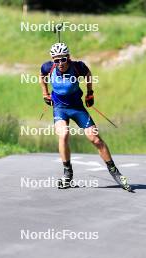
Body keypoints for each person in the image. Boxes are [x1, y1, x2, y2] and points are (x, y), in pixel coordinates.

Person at [40, 42, 131, 191]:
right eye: (56, 60)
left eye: (63, 59)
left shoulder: (78, 67)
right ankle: (67, 173)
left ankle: (115, 172)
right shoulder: (47, 67)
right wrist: (45, 93)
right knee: (63, 135)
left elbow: (88, 75)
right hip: (60, 108)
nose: (60, 63)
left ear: (68, 57)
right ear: (52, 60)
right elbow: (42, 76)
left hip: (77, 108)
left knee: (95, 139)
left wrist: (90, 93)